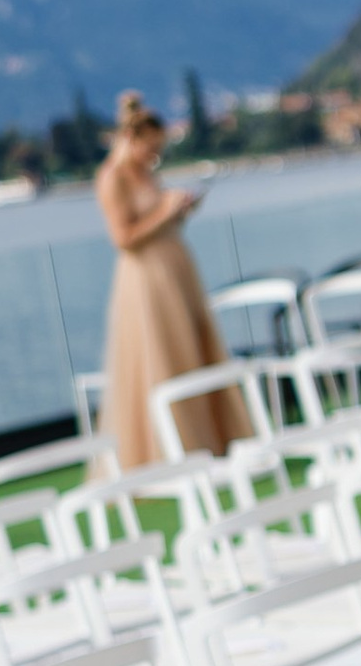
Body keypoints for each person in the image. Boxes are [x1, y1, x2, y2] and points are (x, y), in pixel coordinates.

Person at [93, 90, 250, 468]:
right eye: (150, 148)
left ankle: (211, 440)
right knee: (159, 356)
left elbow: (157, 221)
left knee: (190, 349)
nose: (154, 156)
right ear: (132, 139)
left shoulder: (144, 172)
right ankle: (164, 453)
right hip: (145, 279)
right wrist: (166, 212)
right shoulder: (111, 178)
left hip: (176, 267)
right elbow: (124, 238)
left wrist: (181, 211)